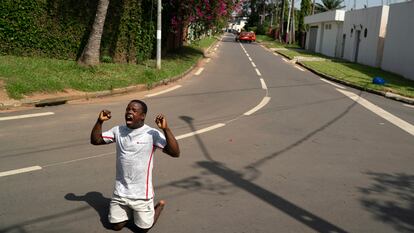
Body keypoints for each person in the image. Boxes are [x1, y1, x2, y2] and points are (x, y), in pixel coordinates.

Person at [90, 99, 180, 232]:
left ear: (142, 116)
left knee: (142, 230)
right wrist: (100, 121)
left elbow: (175, 152)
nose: (129, 112)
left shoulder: (152, 134)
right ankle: (129, 211)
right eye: (127, 109)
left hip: (142, 194)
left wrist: (166, 129)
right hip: (120, 192)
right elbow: (96, 140)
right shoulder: (118, 130)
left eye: (134, 110)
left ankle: (158, 207)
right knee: (116, 226)